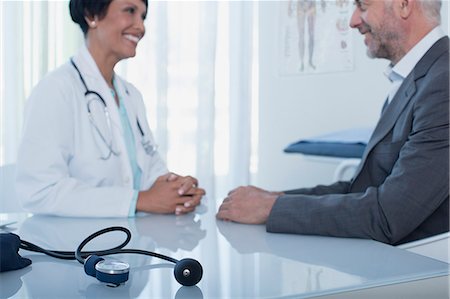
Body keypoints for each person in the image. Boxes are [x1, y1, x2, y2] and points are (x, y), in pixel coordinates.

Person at [217, 0, 449, 245]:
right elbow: (364, 187)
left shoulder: (442, 83)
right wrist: (273, 198)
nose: (353, 21)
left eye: (363, 6)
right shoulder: (418, 78)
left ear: (403, 5)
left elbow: (389, 215)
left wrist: (271, 207)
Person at [16, 0, 205, 217]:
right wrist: (139, 200)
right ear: (91, 15)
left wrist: (178, 189)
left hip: (131, 240)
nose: (141, 27)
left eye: (143, 16)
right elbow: (40, 191)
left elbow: (148, 170)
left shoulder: (130, 95)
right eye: (130, 11)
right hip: (72, 244)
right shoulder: (55, 90)